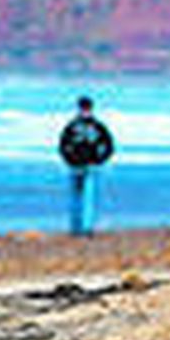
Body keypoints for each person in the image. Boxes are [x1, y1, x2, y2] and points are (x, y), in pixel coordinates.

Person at [57, 96, 115, 237]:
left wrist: (99, 159)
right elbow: (63, 145)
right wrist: (100, 159)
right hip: (80, 165)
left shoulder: (78, 126)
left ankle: (82, 227)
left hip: (85, 165)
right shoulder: (93, 126)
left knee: (83, 196)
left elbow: (109, 145)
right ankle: (81, 227)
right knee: (81, 196)